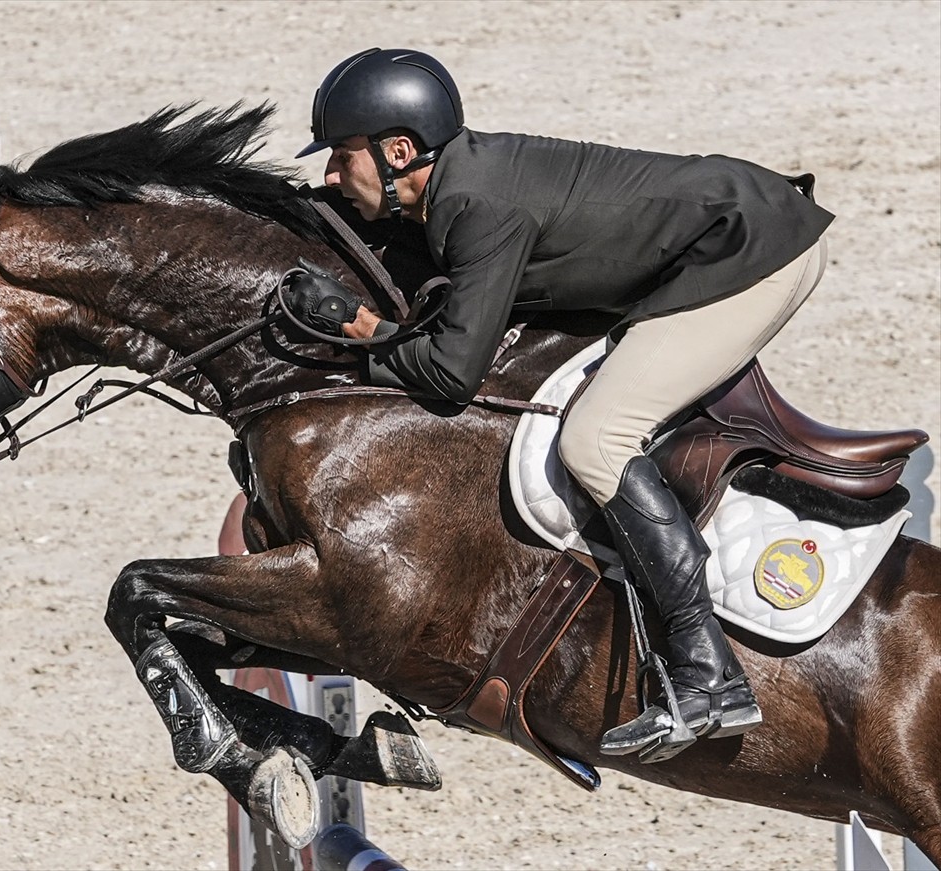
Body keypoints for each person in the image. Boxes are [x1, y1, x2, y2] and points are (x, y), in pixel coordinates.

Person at [284, 47, 833, 761]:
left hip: (754, 253)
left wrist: (364, 332)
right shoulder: (458, 184)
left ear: (398, 150)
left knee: (596, 439)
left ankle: (707, 673)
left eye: (340, 157)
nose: (330, 174)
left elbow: (452, 372)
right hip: (730, 230)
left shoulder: (473, 204)